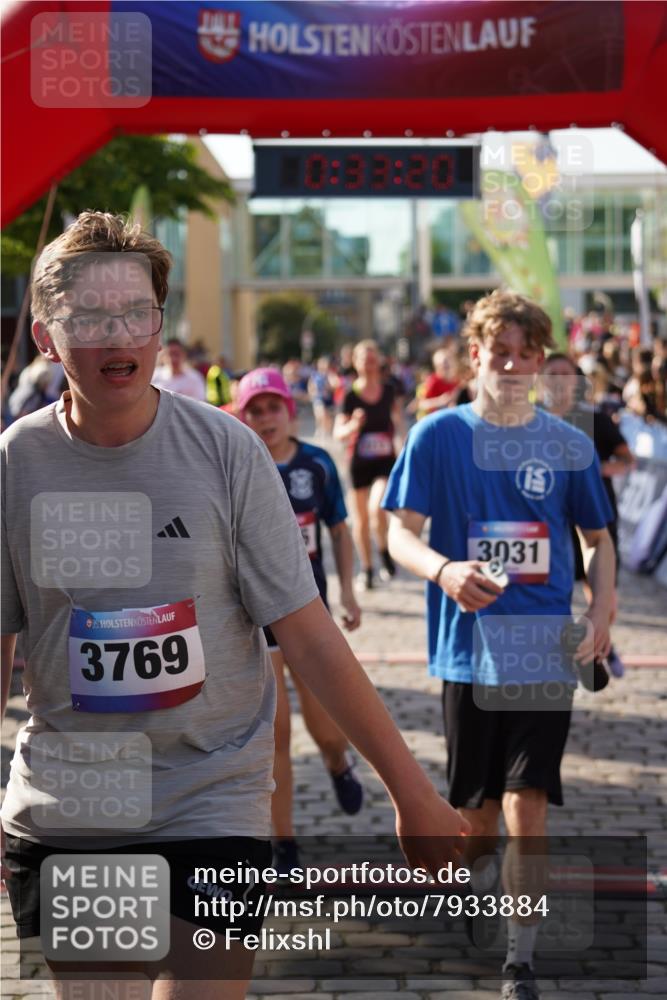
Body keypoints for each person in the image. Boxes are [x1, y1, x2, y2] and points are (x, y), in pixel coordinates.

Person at [1, 211, 469, 1000]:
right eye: (90, 318)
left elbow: (308, 633)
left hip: (210, 793)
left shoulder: (225, 450)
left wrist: (410, 788)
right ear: (47, 336)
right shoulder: (18, 462)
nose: (119, 335)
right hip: (76, 797)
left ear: (159, 323)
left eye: (137, 314)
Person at [383, 290, 615, 1000]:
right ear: (473, 354)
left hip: (543, 647)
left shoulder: (568, 443)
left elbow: (596, 541)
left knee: (528, 800)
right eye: (498, 352)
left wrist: (601, 610)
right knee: (476, 820)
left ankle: (520, 957)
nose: (510, 366)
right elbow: (398, 533)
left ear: (539, 362)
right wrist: (445, 570)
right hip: (465, 651)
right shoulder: (436, 436)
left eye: (524, 354)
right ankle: (479, 877)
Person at [237, 367, 363, 874]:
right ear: (243, 417)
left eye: (274, 407)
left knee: (326, 728)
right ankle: (283, 845)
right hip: (254, 624)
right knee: (275, 739)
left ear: (291, 411)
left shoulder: (317, 463)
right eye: (255, 410)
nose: (266, 418)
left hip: (309, 615)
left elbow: (339, 529)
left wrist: (351, 590)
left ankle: (338, 763)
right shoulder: (236, 464)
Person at [540, 352, 634, 677]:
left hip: (595, 516)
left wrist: (596, 471)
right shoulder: (528, 421)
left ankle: (600, 642)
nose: (558, 379)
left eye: (565, 373)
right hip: (550, 520)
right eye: (551, 373)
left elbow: (627, 459)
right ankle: (576, 652)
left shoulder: (596, 420)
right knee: (557, 590)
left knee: (603, 595)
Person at [334, 339, 404, 591]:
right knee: (361, 520)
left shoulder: (388, 391)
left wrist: (404, 448)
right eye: (363, 355)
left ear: (380, 360)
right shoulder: (350, 396)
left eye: (373, 354)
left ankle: (384, 551)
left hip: (385, 460)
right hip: (358, 463)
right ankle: (367, 569)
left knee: (377, 508)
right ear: (355, 362)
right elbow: (338, 432)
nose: (369, 359)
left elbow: (398, 423)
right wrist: (353, 425)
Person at [307, 355, 337, 438]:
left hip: (329, 399)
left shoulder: (330, 375)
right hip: (318, 398)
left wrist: (329, 387)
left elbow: (334, 385)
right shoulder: (315, 375)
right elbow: (310, 385)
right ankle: (320, 429)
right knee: (320, 414)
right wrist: (312, 393)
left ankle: (328, 431)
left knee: (329, 417)